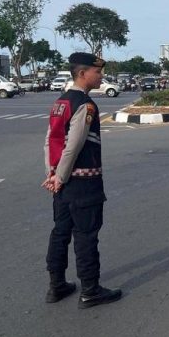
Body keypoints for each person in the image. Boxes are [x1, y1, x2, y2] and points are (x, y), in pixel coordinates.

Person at [42, 52, 122, 309]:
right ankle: (90, 290)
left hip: (62, 183)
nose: (101, 77)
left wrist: (53, 175)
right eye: (98, 72)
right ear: (83, 73)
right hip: (83, 183)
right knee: (86, 235)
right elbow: (74, 145)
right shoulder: (85, 105)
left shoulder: (60, 102)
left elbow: (50, 141)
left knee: (60, 232)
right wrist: (61, 175)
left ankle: (56, 286)